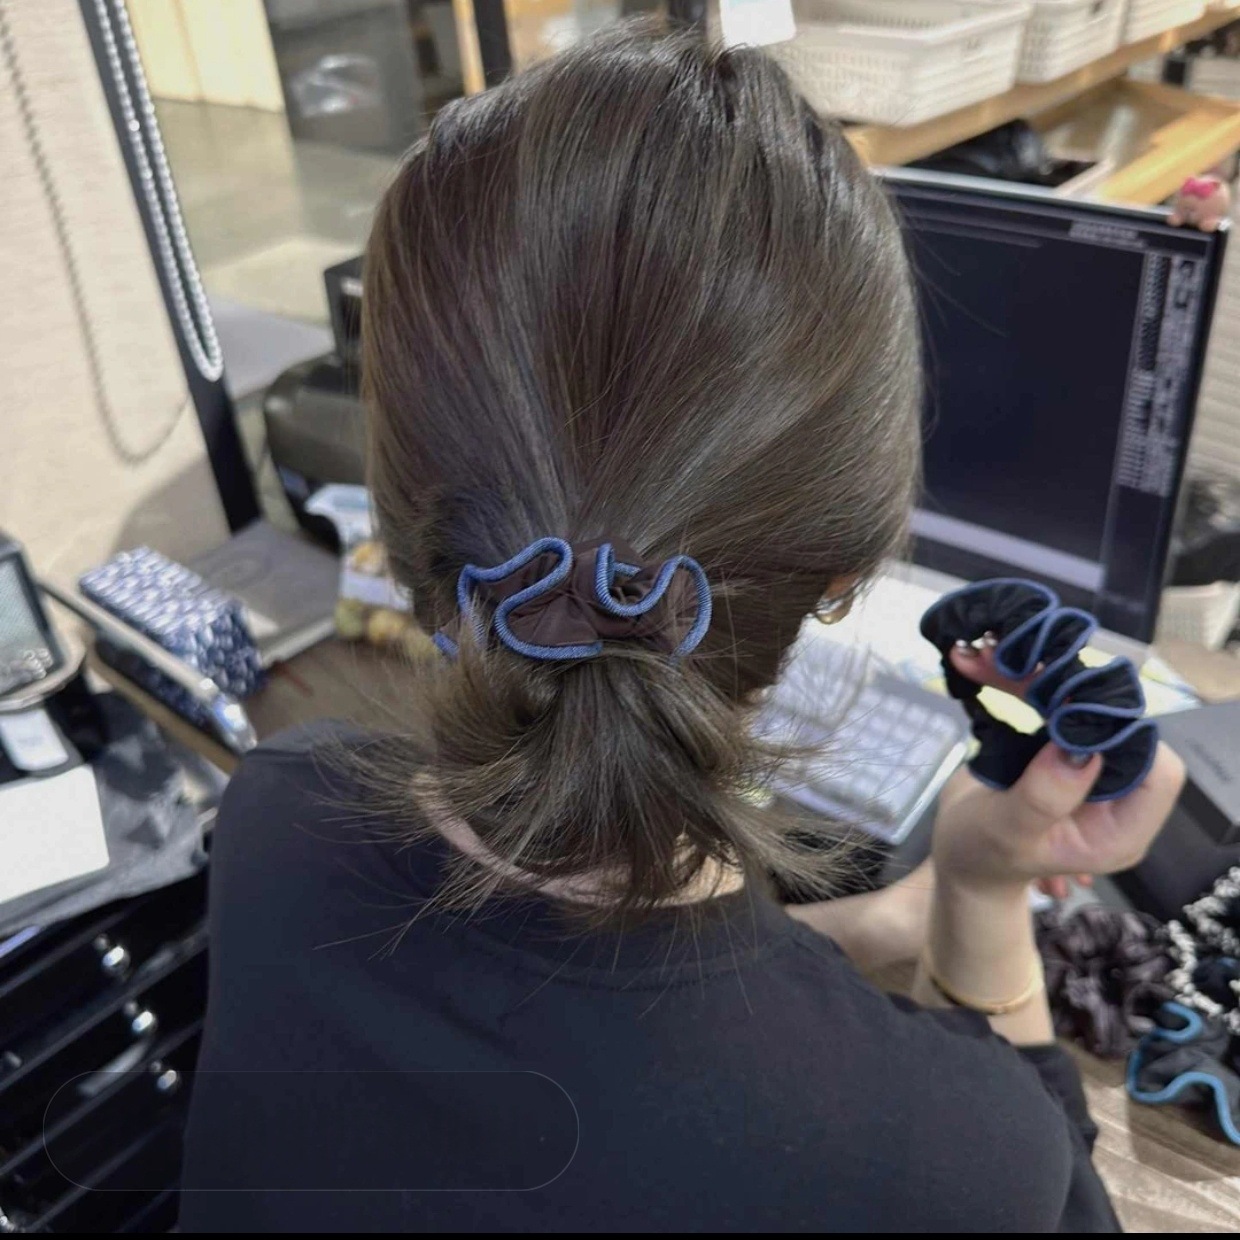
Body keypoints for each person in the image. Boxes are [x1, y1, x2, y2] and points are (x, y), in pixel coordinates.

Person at [179, 26, 1185, 1232]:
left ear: (402, 541)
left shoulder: (278, 822)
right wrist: (981, 899)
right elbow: (1054, 1183)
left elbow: (596, 1014)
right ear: (845, 574)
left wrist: (879, 924)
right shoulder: (952, 1159)